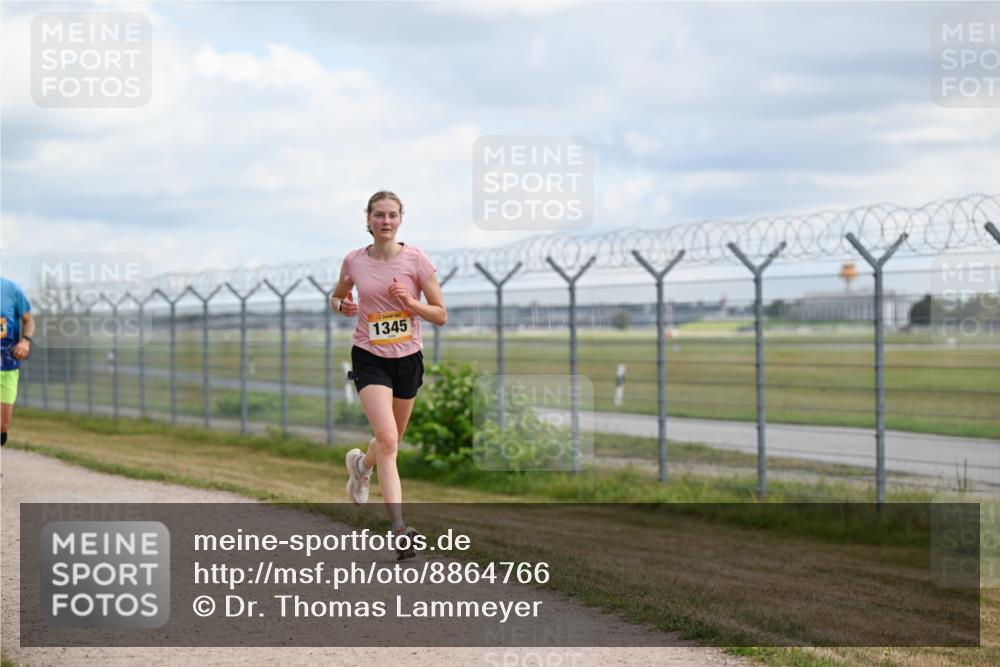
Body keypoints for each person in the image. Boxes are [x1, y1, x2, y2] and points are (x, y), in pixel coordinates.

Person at [331, 191, 447, 559]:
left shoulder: (416, 260)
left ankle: (361, 467)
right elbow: (336, 297)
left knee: (386, 444)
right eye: (379, 215)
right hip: (369, 356)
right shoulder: (354, 261)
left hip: (408, 358)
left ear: (400, 220)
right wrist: (342, 305)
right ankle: (399, 529)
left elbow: (441, 314)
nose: (385, 221)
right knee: (389, 440)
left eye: (392, 215)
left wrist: (411, 303)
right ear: (368, 219)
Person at [1, 276, 34, 447]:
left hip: (7, 366)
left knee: (3, 424)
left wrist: (25, 341)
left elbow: (29, 321)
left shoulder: (11, 289)